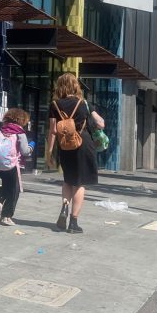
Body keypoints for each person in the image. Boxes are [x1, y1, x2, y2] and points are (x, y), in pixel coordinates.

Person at [46, 73, 104, 234]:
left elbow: (52, 131)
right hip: (83, 144)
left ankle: (65, 206)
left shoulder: (54, 104)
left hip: (65, 146)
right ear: (75, 85)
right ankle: (73, 223)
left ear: (60, 86)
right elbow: (101, 123)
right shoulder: (83, 103)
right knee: (79, 183)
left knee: (68, 180)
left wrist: (49, 153)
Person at [0, 108, 35, 226]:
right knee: (14, 191)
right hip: (13, 166)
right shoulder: (20, 132)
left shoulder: (3, 129)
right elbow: (25, 151)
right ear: (22, 120)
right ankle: (7, 216)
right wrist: (32, 146)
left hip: (1, 166)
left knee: (6, 186)